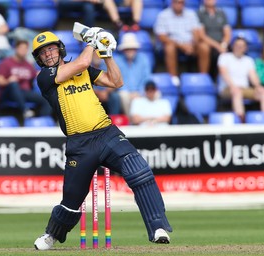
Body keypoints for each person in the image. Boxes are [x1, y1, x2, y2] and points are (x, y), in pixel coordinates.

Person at [31, 30, 172, 250]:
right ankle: (51, 235)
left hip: (106, 134)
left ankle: (158, 227)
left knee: (139, 172)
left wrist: (106, 54)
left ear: (59, 49)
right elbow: (82, 62)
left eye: (51, 48)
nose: (48, 54)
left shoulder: (84, 68)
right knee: (71, 201)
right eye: (43, 52)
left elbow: (116, 81)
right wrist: (91, 41)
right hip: (80, 144)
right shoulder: (45, 77)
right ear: (38, 59)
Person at [0, 40, 52, 118]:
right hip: (9, 92)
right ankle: (25, 110)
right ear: (15, 49)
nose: (23, 51)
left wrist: (40, 74)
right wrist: (9, 80)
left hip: (24, 92)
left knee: (47, 100)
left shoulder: (28, 64)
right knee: (14, 83)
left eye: (25, 49)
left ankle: (42, 121)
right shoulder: (6, 63)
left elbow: (35, 75)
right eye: (21, 48)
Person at [153, 0, 204, 86]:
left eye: (181, 2)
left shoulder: (191, 13)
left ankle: (203, 77)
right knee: (169, 47)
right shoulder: (163, 15)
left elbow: (196, 32)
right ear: (172, 3)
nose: (179, 4)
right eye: (177, 2)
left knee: (204, 47)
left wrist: (192, 44)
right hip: (173, 44)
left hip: (190, 44)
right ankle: (174, 78)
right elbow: (162, 37)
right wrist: (181, 46)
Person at [218, 37, 264, 122]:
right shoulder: (224, 57)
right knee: (237, 92)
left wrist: (258, 86)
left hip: (245, 89)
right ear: (233, 46)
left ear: (245, 48)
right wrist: (233, 86)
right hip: (227, 89)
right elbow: (224, 74)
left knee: (263, 92)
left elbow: (253, 76)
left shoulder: (249, 60)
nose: (239, 47)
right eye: (237, 45)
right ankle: (241, 120)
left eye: (242, 46)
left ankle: (263, 118)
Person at [115, 33, 151, 116]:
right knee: (123, 95)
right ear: (123, 50)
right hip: (125, 92)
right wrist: (129, 93)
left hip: (141, 91)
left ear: (136, 49)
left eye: (132, 48)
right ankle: (131, 121)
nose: (130, 51)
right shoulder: (117, 60)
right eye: (127, 49)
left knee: (156, 93)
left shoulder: (143, 59)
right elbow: (117, 79)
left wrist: (140, 92)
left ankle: (146, 120)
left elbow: (147, 78)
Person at [197, 0, 231, 80]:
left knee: (230, 48)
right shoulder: (199, 13)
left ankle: (224, 79)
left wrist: (224, 44)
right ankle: (204, 77)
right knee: (204, 48)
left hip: (221, 44)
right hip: (208, 43)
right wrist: (218, 46)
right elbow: (202, 35)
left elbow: (227, 32)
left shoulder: (221, 13)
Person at [58, 0, 126, 31]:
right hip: (66, 3)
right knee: (88, 6)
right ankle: (89, 33)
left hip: (88, 5)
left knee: (88, 6)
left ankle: (118, 23)